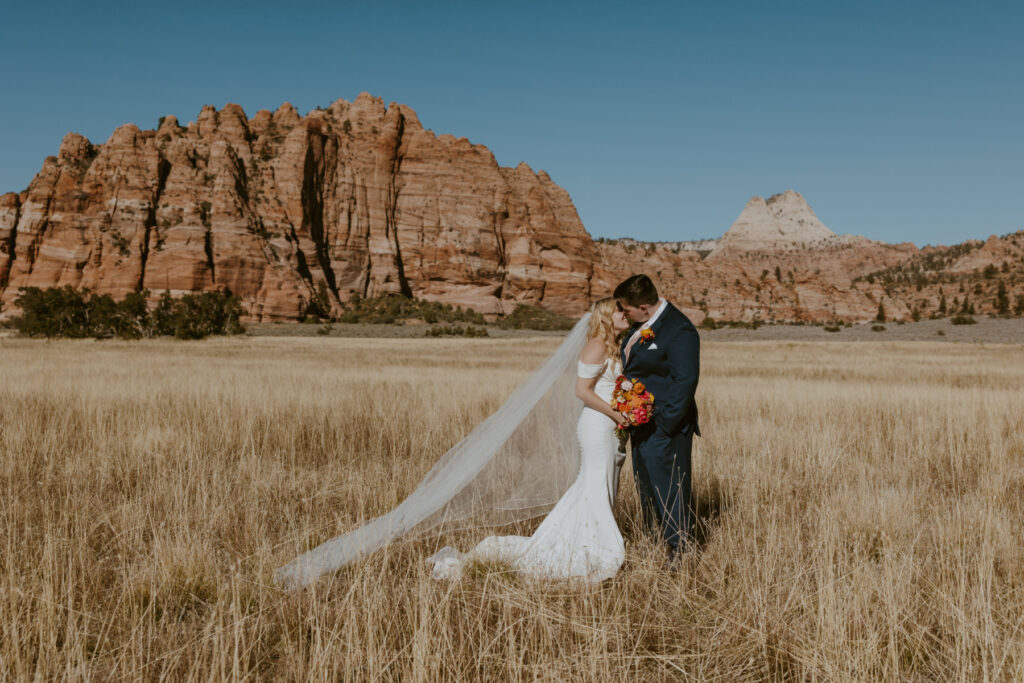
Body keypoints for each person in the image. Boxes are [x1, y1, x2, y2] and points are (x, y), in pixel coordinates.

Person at [427, 298, 632, 581]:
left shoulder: (614, 346)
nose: (625, 313)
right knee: (597, 481)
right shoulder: (596, 345)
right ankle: (597, 544)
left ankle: (585, 537)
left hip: (611, 424)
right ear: (607, 317)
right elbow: (581, 390)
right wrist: (616, 414)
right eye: (619, 310)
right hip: (598, 425)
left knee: (600, 483)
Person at [614, 274, 700, 564]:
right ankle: (653, 540)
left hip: (665, 426)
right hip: (641, 424)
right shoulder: (641, 326)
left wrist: (665, 425)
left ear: (643, 307)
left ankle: (680, 549)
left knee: (671, 486)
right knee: (647, 485)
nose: (623, 314)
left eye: (626, 309)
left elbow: (685, 382)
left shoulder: (679, 330)